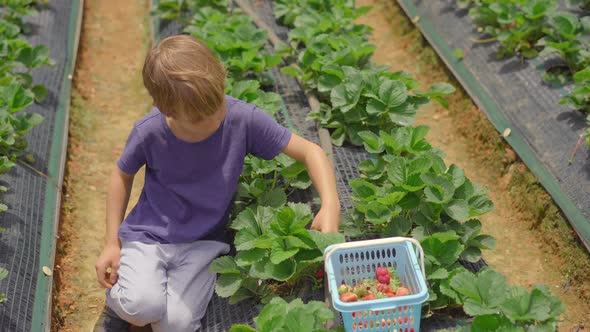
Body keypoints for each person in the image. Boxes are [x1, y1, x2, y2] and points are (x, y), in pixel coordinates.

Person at [93, 34, 341, 332]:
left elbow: (310, 151)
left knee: (178, 326)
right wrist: (111, 242)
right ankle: (119, 310)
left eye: (216, 108)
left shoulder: (241, 119)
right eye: (199, 119)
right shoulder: (150, 131)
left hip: (202, 244)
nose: (213, 121)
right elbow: (121, 174)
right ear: (165, 109)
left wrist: (330, 203)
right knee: (141, 306)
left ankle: (145, 306)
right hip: (149, 236)